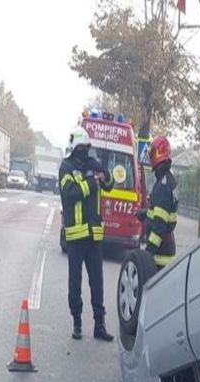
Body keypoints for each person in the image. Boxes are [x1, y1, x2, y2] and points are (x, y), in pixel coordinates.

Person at [59, 126, 114, 342]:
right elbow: (70, 193)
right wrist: (92, 182)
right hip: (75, 237)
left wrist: (106, 175)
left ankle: (99, 325)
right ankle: (77, 323)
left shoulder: (94, 165)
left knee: (97, 283)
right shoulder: (66, 167)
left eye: (86, 147)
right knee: (75, 283)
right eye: (81, 147)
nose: (84, 150)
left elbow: (109, 185)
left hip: (94, 236)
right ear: (75, 147)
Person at [142, 135, 179, 268]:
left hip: (159, 256)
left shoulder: (162, 186)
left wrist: (148, 252)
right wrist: (146, 213)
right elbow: (161, 212)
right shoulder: (168, 180)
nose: (150, 156)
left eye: (152, 153)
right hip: (165, 251)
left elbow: (159, 226)